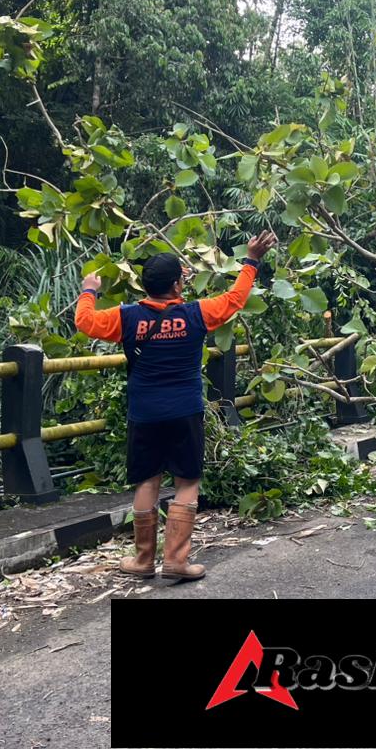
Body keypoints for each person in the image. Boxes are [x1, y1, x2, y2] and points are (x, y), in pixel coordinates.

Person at [74, 231, 278, 581]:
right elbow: (235, 299)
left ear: (146, 287)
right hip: (185, 411)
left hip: (145, 413)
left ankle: (142, 561)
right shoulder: (197, 314)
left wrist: (90, 288)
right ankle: (177, 561)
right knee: (186, 481)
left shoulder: (126, 318)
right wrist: (251, 260)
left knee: (146, 481)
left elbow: (84, 322)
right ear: (177, 284)